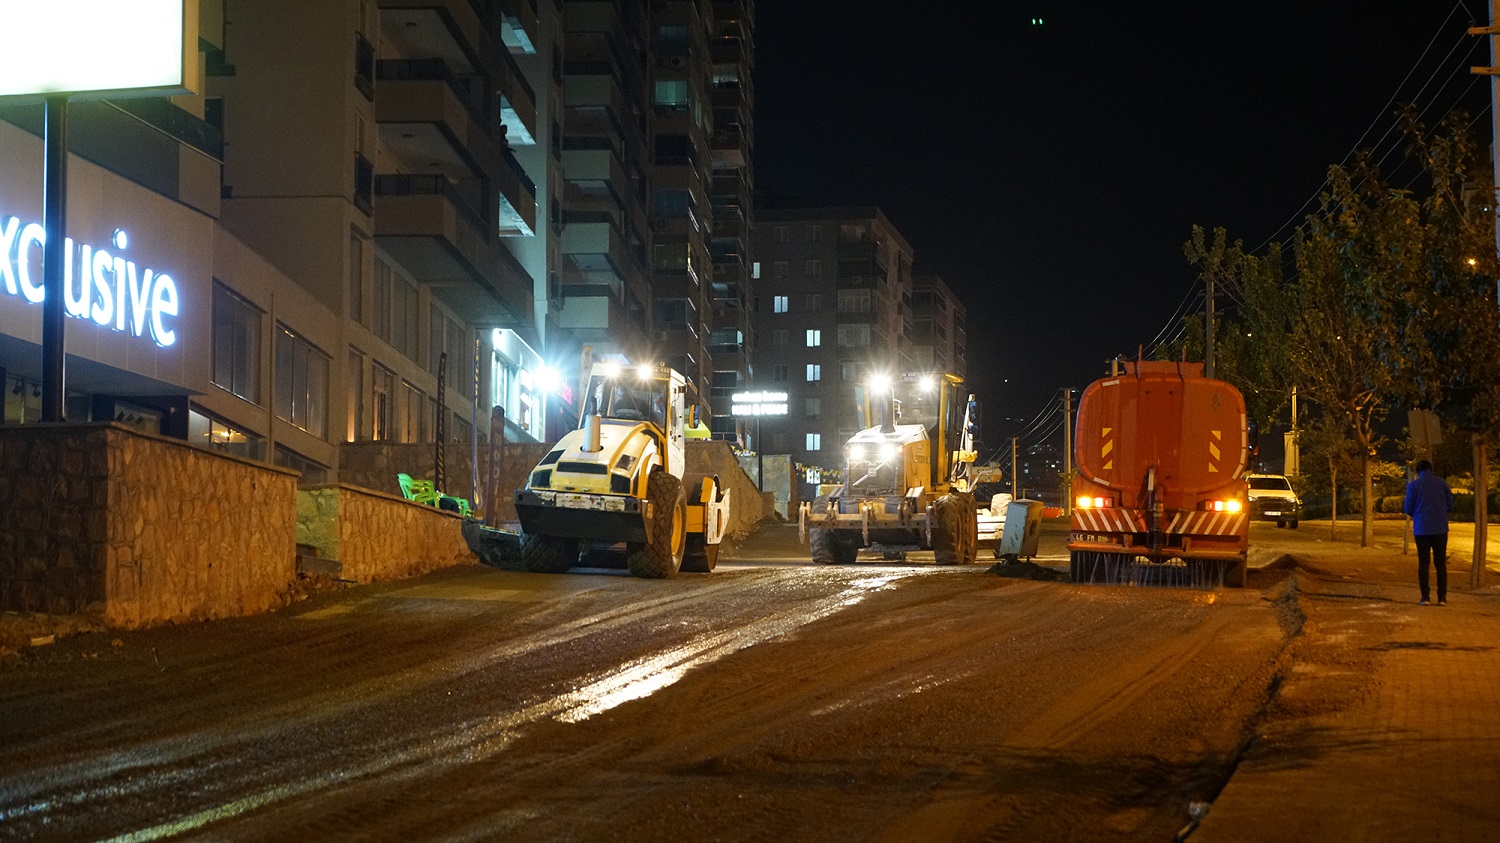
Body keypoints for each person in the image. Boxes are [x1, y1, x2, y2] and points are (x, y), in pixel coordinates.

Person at [1403, 459, 1454, 606]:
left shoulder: (1413, 485)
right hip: (1440, 528)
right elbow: (1451, 505)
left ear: (1418, 471)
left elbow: (1408, 508)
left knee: (1424, 563)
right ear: (1431, 469)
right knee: (1440, 564)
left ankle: (1425, 597)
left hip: (1421, 529)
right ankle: (1442, 597)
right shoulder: (1442, 483)